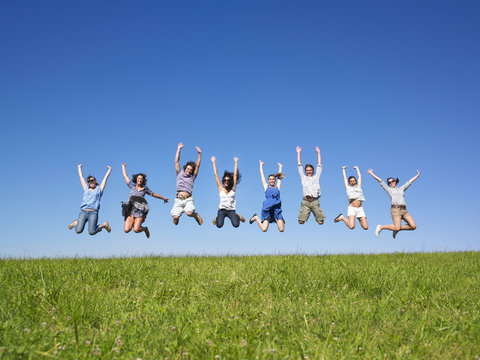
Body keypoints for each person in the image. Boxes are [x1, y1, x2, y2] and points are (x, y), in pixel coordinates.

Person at [367, 169, 420, 238]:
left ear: (395, 182)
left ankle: (395, 229)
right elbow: (380, 181)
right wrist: (371, 173)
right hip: (395, 210)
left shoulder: (401, 188)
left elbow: (409, 182)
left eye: (392, 181)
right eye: (389, 182)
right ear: (388, 184)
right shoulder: (389, 189)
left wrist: (417, 175)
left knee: (413, 226)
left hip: (404, 210)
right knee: (397, 227)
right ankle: (381, 227)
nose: (391, 183)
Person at [121, 163, 168, 238]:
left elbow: (153, 194)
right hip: (130, 209)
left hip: (140, 210)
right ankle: (132, 221)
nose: (139, 180)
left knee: (136, 230)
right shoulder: (132, 186)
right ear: (136, 179)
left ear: (143, 180)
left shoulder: (145, 189)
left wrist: (163, 198)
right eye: (138, 178)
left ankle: (145, 229)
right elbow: (125, 176)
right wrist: (123, 167)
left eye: (141, 179)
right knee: (126, 230)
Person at [68, 164, 112, 235]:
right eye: (88, 181)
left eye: (92, 180)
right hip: (83, 212)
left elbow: (105, 178)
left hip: (93, 212)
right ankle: (76, 223)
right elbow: (81, 177)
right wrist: (79, 168)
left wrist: (109, 170)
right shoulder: (86, 189)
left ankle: (104, 225)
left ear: (95, 181)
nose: (90, 182)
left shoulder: (99, 189)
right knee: (78, 231)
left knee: (92, 232)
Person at [171, 142, 203, 225]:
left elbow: (198, 165)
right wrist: (178, 149)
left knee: (189, 213)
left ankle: (196, 215)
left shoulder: (192, 177)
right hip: (178, 200)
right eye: (188, 169)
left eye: (190, 170)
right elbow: (176, 161)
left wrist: (199, 154)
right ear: (185, 168)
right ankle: (176, 216)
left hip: (188, 199)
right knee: (175, 219)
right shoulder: (179, 173)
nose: (189, 170)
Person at [249, 161, 285, 232]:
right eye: (270, 179)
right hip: (267, 209)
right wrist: (261, 166)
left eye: (273, 179)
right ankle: (256, 218)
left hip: (276, 210)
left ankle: (281, 220)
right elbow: (262, 176)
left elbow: (279, 178)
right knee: (264, 229)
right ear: (268, 180)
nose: (272, 180)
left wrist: (280, 167)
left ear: (275, 180)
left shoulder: (277, 187)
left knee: (281, 229)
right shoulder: (266, 187)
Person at [211, 156, 245, 228]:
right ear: (223, 181)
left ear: (230, 181)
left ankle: (238, 216)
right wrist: (214, 162)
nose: (226, 181)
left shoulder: (233, 189)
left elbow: (235, 175)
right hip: (222, 210)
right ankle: (217, 218)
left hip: (231, 210)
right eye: (225, 180)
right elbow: (216, 174)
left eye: (228, 180)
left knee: (236, 225)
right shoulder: (220, 188)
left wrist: (236, 162)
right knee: (219, 225)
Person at [296, 146, 326, 225]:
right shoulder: (303, 177)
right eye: (307, 170)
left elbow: (319, 165)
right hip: (306, 202)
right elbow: (299, 165)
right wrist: (298, 153)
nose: (308, 171)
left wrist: (318, 153)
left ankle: (318, 218)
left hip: (315, 201)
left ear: (313, 171)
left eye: (310, 170)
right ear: (305, 171)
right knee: (301, 222)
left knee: (321, 222)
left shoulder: (316, 177)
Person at [334, 166, 368, 230]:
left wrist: (357, 168)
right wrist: (343, 169)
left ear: (356, 181)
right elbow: (344, 178)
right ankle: (342, 218)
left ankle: (359, 218)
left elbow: (359, 176)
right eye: (351, 181)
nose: (352, 182)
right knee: (351, 226)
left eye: (353, 181)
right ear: (349, 182)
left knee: (365, 227)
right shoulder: (348, 188)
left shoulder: (359, 186)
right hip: (352, 208)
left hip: (360, 209)